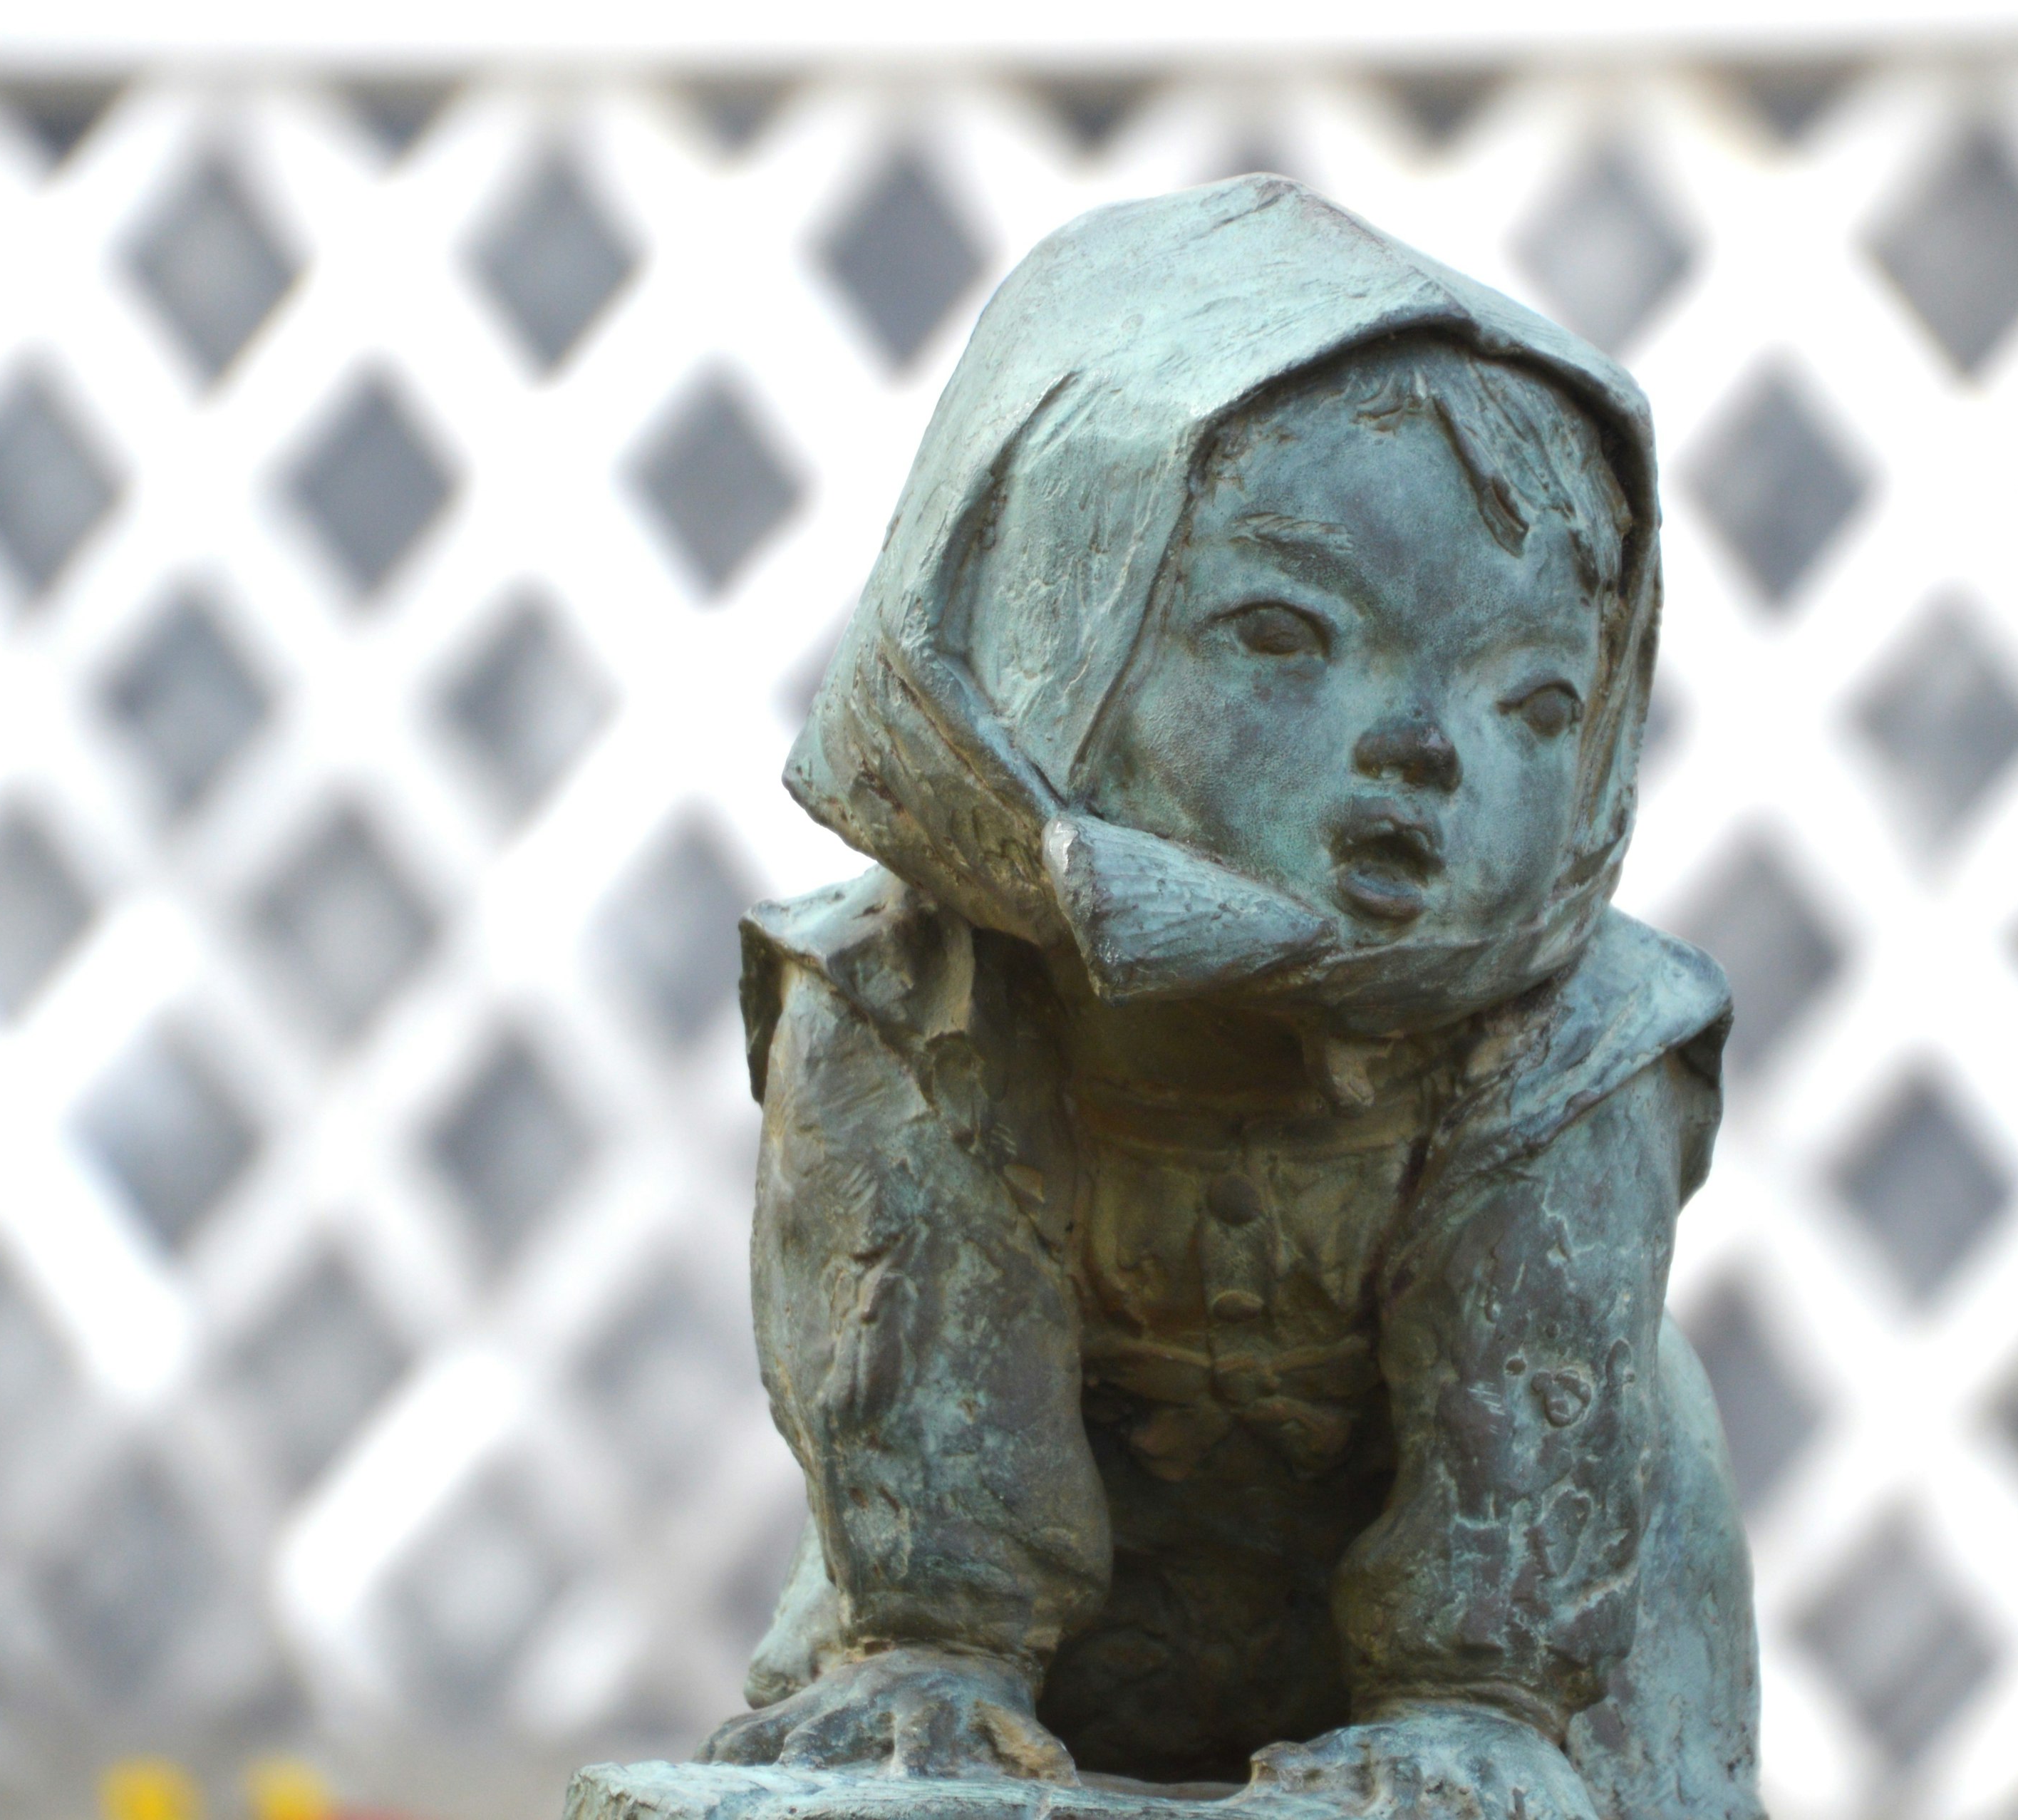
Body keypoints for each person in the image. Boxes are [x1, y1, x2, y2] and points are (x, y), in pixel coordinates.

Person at [700, 175, 1761, 1820]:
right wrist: (936, 1646)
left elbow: (1529, 1446)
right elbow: (921, 1418)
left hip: (1522, 1666)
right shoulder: (905, 996)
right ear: (1052, 627)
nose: (1424, 745)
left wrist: (1476, 1706)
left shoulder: (1566, 1045)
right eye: (1284, 634)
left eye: (1533, 698)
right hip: (1021, 1648)